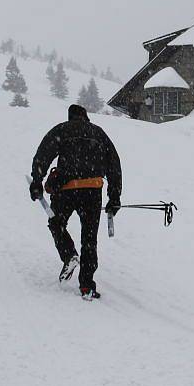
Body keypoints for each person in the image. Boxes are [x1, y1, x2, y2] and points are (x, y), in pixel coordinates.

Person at [29, 104, 122, 300]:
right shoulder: (98, 133)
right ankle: (87, 286)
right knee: (89, 239)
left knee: (56, 223)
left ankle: (69, 254)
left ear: (70, 117)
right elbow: (114, 164)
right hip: (92, 190)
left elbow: (43, 154)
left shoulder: (62, 130)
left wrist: (37, 181)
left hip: (66, 190)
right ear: (86, 117)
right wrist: (114, 197)